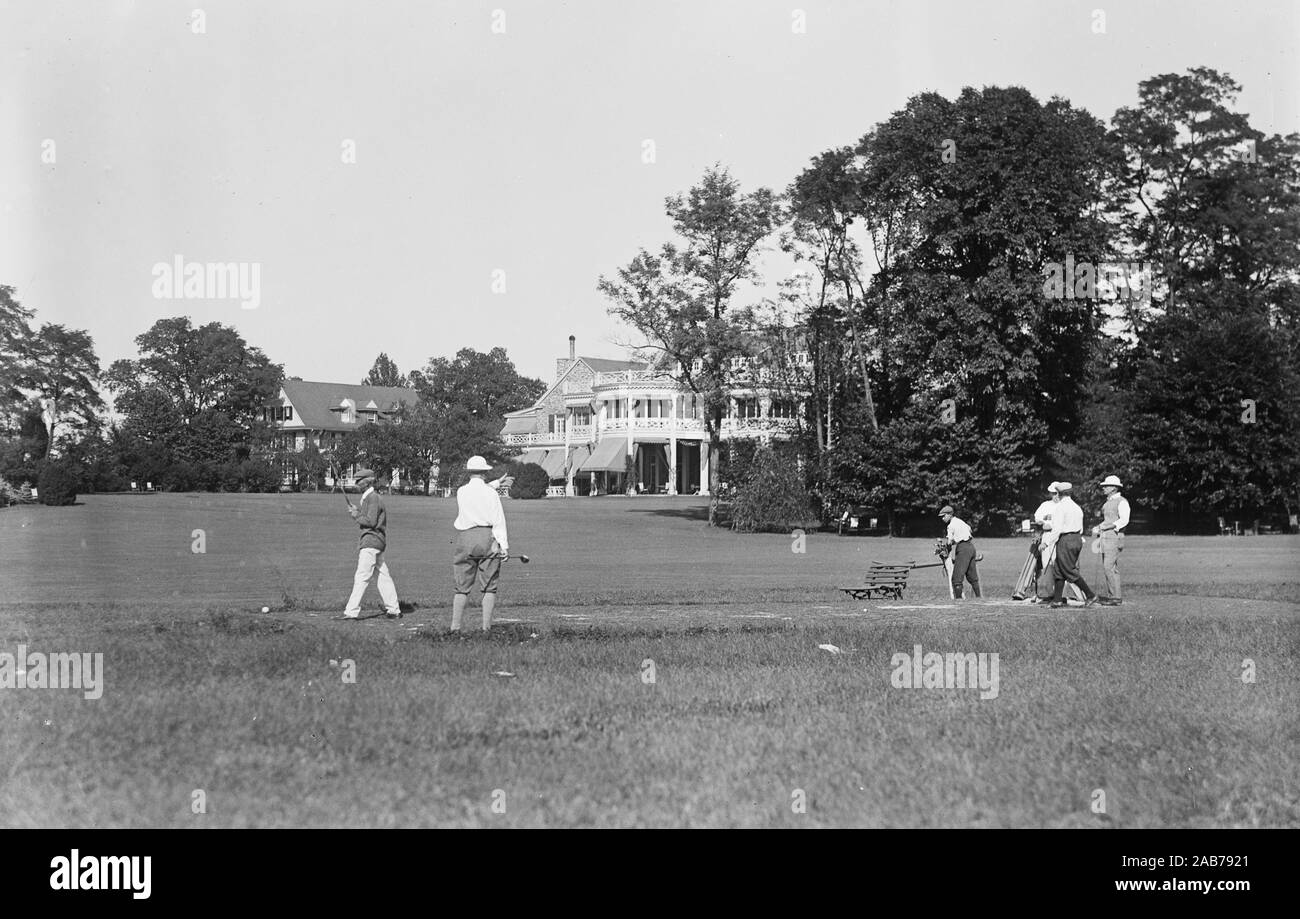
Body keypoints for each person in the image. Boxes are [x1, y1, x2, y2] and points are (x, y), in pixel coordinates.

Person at [451, 455, 510, 632]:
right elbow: (499, 520)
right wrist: (504, 546)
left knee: (461, 586)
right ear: (485, 472)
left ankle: (455, 627)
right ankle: (485, 628)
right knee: (489, 586)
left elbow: (478, 491)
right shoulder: (490, 493)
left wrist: (497, 482)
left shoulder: (461, 491)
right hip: (487, 538)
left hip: (465, 538)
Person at [342, 470, 402, 620]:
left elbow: (371, 522)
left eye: (358, 481)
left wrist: (356, 515)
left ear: (367, 482)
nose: (356, 484)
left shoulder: (372, 497)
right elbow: (369, 518)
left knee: (362, 576)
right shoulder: (370, 497)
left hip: (371, 541)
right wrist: (358, 512)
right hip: (377, 541)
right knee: (383, 577)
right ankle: (394, 610)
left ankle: (351, 612)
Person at [1047, 482, 1099, 609]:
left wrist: (1046, 542)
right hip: (1076, 538)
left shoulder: (1060, 508)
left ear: (1059, 494)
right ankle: (1057, 600)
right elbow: (1080, 528)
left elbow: (1057, 528)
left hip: (1066, 540)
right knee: (1059, 569)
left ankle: (1090, 595)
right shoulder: (1077, 507)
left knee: (1068, 570)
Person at [1091, 474, 1130, 605]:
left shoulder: (1122, 501)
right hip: (1105, 536)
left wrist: (1107, 526)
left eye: (1106, 486)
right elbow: (1107, 519)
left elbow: (1124, 520)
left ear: (1114, 488)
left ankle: (1115, 597)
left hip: (1114, 535)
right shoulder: (1108, 502)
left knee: (1109, 566)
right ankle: (1113, 595)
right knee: (1107, 566)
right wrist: (1100, 527)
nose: (1104, 488)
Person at [938, 505, 981, 599]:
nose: (942, 518)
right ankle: (979, 598)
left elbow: (949, 542)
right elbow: (969, 529)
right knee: (972, 576)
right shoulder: (961, 522)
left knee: (956, 578)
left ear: (949, 514)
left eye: (944, 516)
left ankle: (958, 602)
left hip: (963, 549)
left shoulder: (950, 526)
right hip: (971, 547)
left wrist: (946, 549)